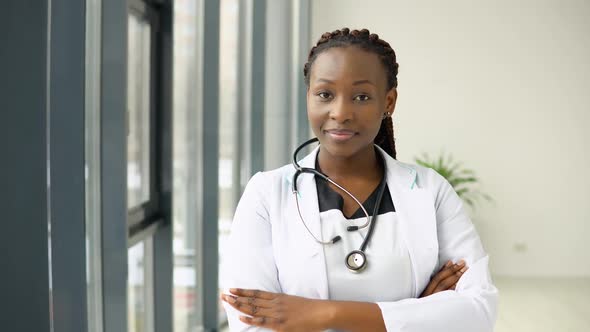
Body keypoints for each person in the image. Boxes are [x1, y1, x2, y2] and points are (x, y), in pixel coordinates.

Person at [221, 28, 497, 332]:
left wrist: (324, 315)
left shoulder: (431, 191)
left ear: (388, 102)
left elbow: (478, 311)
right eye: (325, 94)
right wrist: (417, 313)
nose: (340, 113)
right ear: (308, 97)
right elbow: (250, 323)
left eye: (362, 96)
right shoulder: (266, 194)